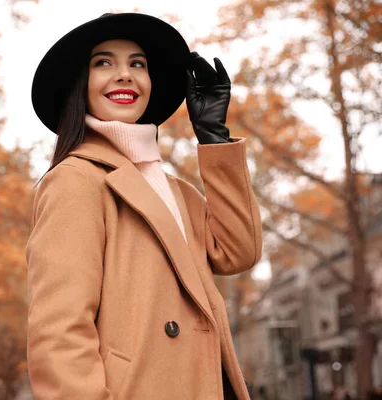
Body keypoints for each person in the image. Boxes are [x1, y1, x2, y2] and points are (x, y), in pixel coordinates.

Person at [26, 12, 262, 400]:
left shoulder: (176, 191)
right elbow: (60, 332)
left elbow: (240, 251)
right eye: (104, 62)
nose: (125, 74)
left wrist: (215, 140)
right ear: (79, 84)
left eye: (138, 64)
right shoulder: (76, 180)